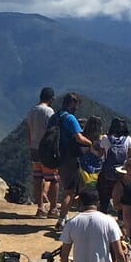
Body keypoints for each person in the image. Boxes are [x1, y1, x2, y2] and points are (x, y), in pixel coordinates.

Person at [53, 93, 92, 231]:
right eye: (76, 105)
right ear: (71, 104)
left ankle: (65, 216)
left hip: (57, 156)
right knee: (69, 190)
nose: (76, 108)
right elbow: (79, 138)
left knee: (68, 186)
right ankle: (61, 220)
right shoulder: (70, 119)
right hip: (69, 157)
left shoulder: (55, 116)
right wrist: (91, 144)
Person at [25, 87, 57, 218]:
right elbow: (53, 130)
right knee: (53, 179)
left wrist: (30, 145)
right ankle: (53, 209)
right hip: (46, 149)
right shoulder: (48, 111)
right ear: (51, 99)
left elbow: (28, 130)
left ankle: (40, 208)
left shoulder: (32, 111)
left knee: (38, 178)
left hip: (33, 148)